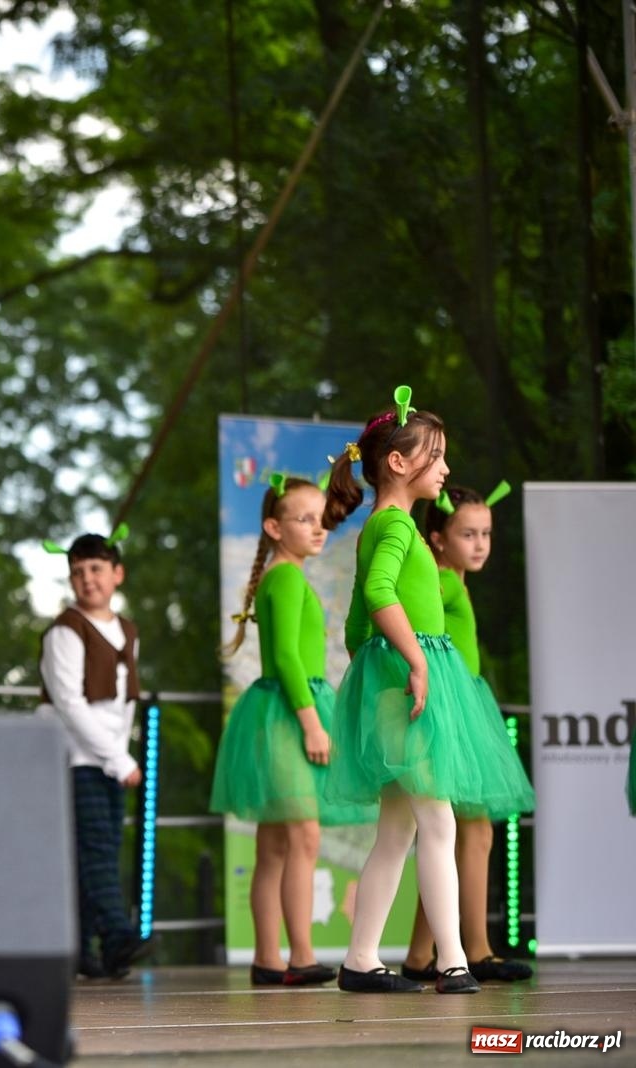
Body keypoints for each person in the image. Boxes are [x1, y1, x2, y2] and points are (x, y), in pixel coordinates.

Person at [321, 386, 532, 995]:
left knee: (400, 831)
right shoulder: (394, 528)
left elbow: (358, 625)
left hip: (398, 689)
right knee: (437, 822)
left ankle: (361, 959)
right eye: (436, 457)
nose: (445, 469)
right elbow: (381, 596)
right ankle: (453, 961)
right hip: (412, 687)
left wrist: (380, 667)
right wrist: (413, 661)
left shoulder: (392, 527)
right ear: (398, 463)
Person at [210, 474, 374, 987]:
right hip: (287, 712)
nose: (318, 527)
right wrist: (311, 724)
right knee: (302, 835)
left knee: (277, 845)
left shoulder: (288, 577)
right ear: (273, 527)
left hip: (284, 709)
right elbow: (283, 656)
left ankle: (268, 958)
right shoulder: (284, 578)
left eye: (320, 517)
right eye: (304, 519)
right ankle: (299, 955)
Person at [401, 482, 535, 983]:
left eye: (486, 534)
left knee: (449, 834)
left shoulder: (453, 577)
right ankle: (474, 948)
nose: (480, 544)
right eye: (467, 534)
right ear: (437, 538)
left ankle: (420, 954)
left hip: (462, 705)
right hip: (454, 708)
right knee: (469, 830)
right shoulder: (442, 581)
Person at [35, 526, 153, 980]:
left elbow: (122, 702)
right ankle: (120, 936)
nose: (88, 579)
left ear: (117, 574)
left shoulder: (127, 630)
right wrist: (117, 758)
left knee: (96, 851)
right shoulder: (65, 632)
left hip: (107, 758)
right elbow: (69, 703)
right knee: (97, 850)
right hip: (73, 757)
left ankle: (85, 949)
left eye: (97, 569)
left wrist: (118, 753)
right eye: (78, 571)